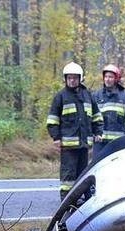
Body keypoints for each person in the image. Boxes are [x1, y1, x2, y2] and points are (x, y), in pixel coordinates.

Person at [46, 62, 103, 200]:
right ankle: (67, 201)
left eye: (75, 78)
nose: (72, 80)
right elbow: (52, 120)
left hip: (84, 145)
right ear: (65, 79)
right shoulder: (60, 97)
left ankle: (85, 199)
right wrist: (56, 137)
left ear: (80, 78)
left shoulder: (88, 96)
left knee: (83, 173)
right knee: (68, 176)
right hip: (68, 146)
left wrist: (98, 132)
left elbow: (96, 116)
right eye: (69, 78)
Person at [92, 64, 125, 156]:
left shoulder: (124, 96)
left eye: (110, 77)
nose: (107, 79)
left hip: (118, 141)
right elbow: (91, 117)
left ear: (116, 79)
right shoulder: (96, 95)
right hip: (100, 141)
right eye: (106, 76)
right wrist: (94, 133)